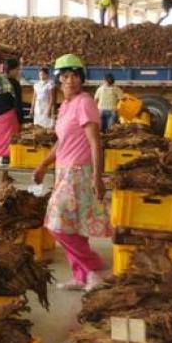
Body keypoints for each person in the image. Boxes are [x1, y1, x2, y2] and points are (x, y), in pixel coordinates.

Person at [34, 54, 110, 291]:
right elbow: (61, 142)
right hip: (64, 172)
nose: (70, 81)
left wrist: (98, 177)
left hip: (79, 173)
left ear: (81, 79)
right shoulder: (66, 106)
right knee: (73, 226)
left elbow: (95, 142)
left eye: (75, 76)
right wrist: (44, 164)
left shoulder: (84, 102)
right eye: (65, 76)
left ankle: (92, 267)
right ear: (58, 80)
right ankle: (81, 276)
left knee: (56, 224)